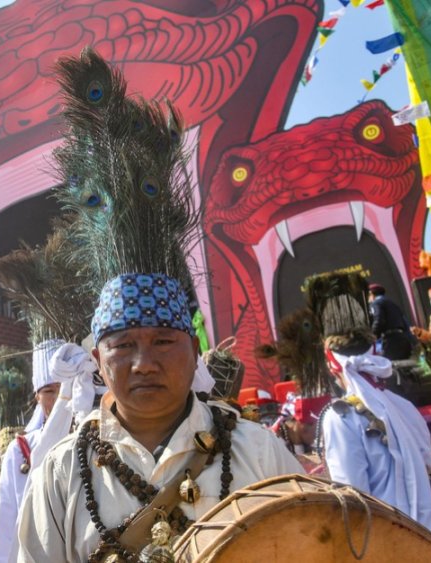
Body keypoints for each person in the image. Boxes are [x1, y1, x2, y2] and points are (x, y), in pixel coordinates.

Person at [17, 49, 303, 562]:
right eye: (123, 345)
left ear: (195, 353)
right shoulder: (61, 471)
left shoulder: (258, 452)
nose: (143, 362)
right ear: (99, 361)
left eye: (163, 342)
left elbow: (310, 545)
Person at [311, 274, 431, 541]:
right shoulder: (403, 407)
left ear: (331, 364)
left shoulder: (341, 417)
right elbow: (428, 465)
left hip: (387, 544)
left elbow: (353, 497)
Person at [0, 340, 62, 563]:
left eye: (65, 388)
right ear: (36, 397)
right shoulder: (20, 450)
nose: (60, 399)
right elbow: (6, 522)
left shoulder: (92, 439)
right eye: (49, 391)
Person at [367, 283, 413, 360]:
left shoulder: (376, 303)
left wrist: (372, 335)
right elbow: (405, 323)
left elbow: (378, 320)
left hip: (390, 341)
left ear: (371, 293)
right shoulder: (392, 304)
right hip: (403, 340)